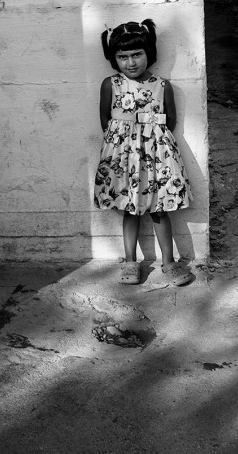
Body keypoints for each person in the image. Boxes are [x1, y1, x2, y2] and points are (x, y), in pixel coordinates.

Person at [95, 20, 193, 286]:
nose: (131, 62)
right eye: (123, 57)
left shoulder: (162, 86)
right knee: (131, 208)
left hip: (158, 156)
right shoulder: (110, 84)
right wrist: (125, 143)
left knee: (160, 209)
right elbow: (106, 120)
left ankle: (169, 262)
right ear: (113, 58)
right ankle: (130, 262)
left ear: (149, 52)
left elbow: (169, 121)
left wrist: (151, 141)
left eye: (137, 54)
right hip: (123, 158)